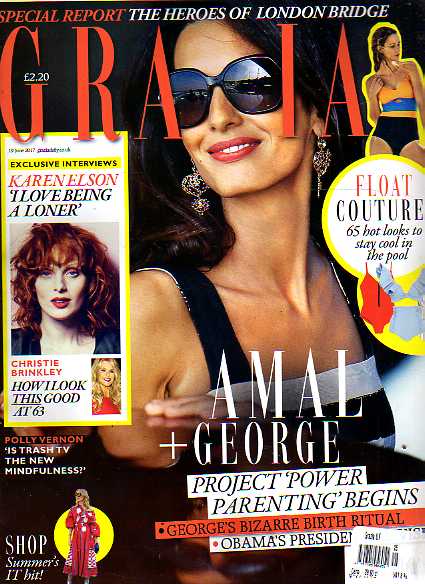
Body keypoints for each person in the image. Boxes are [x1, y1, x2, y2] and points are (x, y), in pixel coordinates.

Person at [96, 13, 397, 468]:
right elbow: (93, 462)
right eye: (188, 98)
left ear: (317, 113)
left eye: (253, 84)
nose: (218, 118)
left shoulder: (361, 278)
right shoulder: (147, 305)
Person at [11, 223, 120, 355]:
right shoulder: (11, 345)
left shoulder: (117, 345)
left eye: (72, 273)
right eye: (46, 273)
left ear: (91, 282)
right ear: (31, 283)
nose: (59, 286)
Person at [364, 24, 425, 163]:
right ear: (380, 49)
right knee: (381, 177)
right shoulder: (371, 80)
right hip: (381, 137)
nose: (398, 50)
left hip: (409, 133)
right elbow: (374, 118)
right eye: (392, 46)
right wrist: (372, 97)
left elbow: (422, 104)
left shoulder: (410, 67)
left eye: (398, 44)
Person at [63, 489, 100, 584]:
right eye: (76, 495)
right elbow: (70, 524)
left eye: (79, 494)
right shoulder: (73, 510)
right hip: (76, 537)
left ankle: (86, 582)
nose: (77, 496)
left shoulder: (90, 511)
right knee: (73, 558)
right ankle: (69, 581)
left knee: (87, 558)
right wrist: (69, 537)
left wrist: (97, 541)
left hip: (88, 538)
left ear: (84, 496)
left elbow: (94, 526)